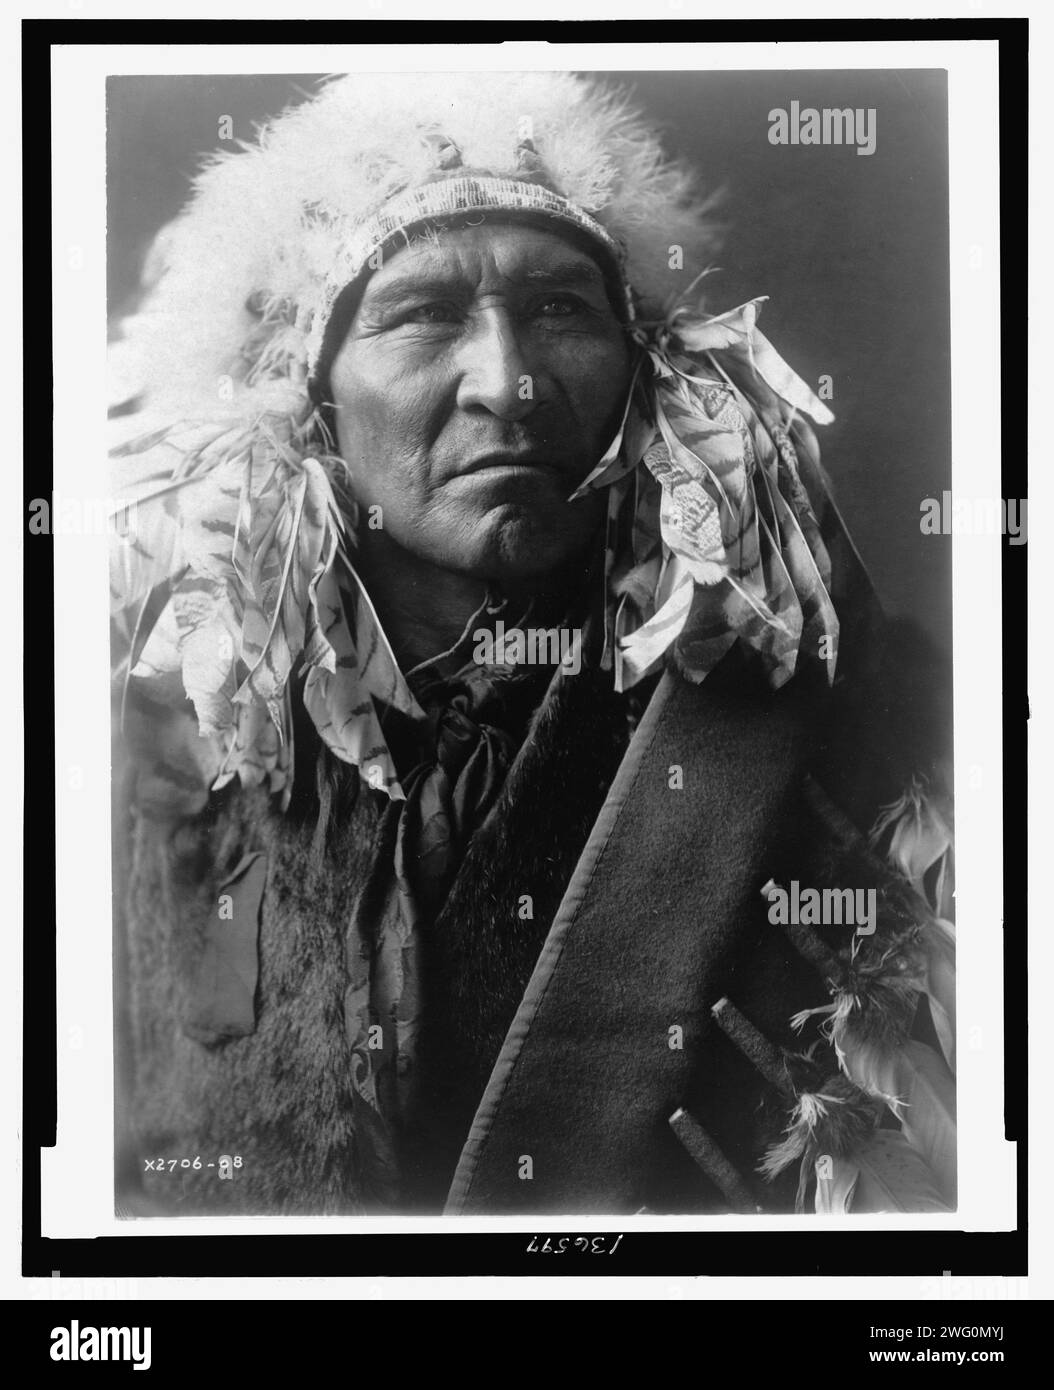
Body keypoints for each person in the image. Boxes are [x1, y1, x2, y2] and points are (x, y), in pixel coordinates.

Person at [110, 70, 955, 1217]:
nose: (508, 383)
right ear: (304, 398)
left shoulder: (876, 715)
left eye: (561, 308)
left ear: (647, 365)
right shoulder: (163, 749)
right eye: (420, 314)